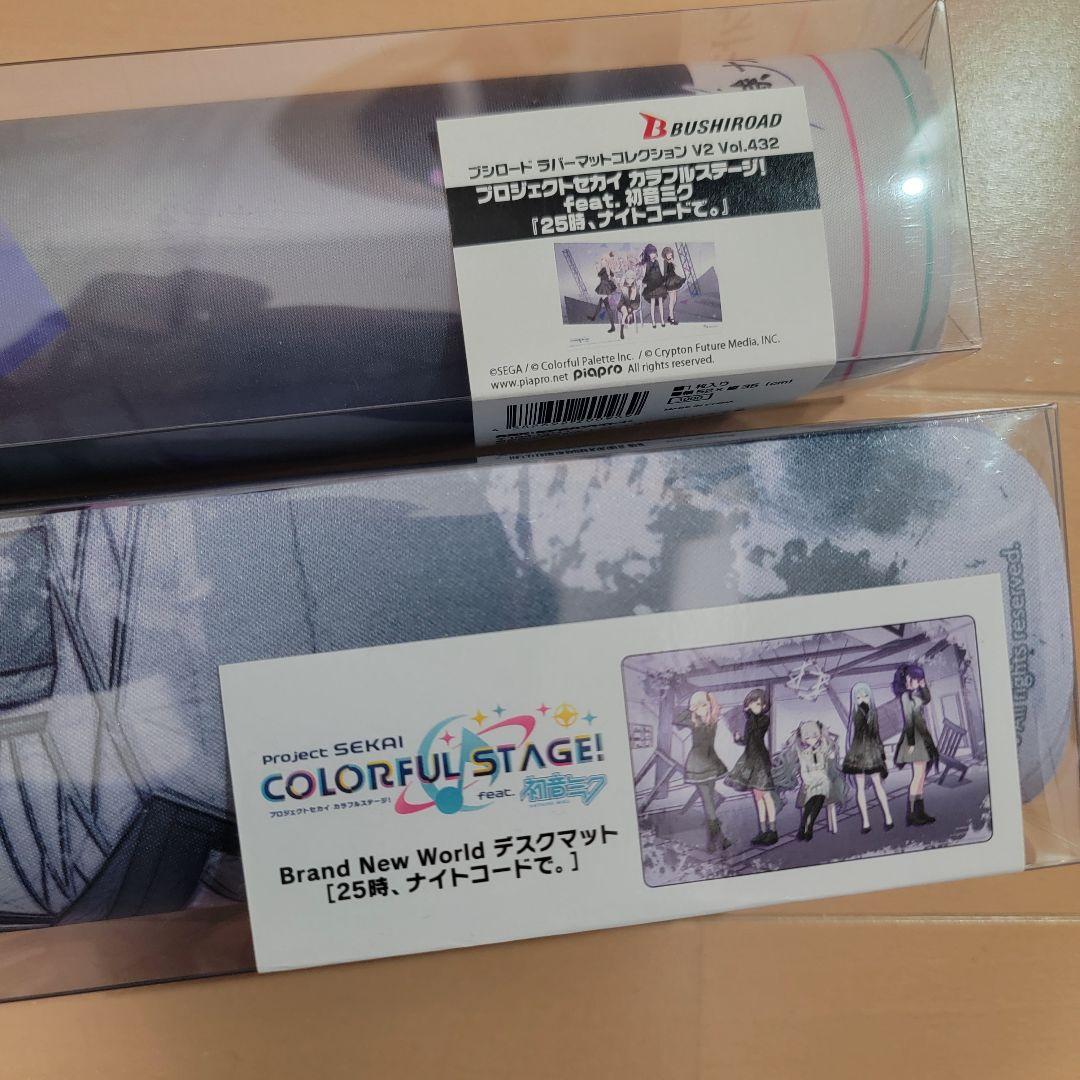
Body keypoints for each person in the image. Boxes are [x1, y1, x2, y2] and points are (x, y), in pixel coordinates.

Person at [673, 691, 732, 853]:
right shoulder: (702, 721)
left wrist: (707, 698)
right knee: (709, 803)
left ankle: (715, 841)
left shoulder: (706, 721)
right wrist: (693, 708)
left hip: (704, 764)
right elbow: (676, 719)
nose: (703, 708)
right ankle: (719, 840)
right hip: (703, 763)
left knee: (709, 803)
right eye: (700, 706)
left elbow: (678, 718)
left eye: (705, 705)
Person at [775, 720, 845, 841]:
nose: (812, 740)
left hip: (823, 779)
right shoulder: (803, 753)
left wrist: (826, 743)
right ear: (803, 738)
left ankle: (809, 826)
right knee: (811, 799)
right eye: (808, 738)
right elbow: (804, 770)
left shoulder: (823, 748)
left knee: (819, 796)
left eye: (814, 736)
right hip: (810, 780)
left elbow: (831, 757)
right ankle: (805, 826)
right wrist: (807, 781)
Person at [724, 688, 777, 845]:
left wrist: (748, 714)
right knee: (758, 798)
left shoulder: (763, 720)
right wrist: (738, 738)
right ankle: (762, 831)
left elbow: (757, 734)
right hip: (750, 759)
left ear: (764, 706)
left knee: (766, 796)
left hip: (760, 760)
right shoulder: (750, 721)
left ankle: (773, 831)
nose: (755, 706)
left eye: (758, 704)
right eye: (752, 703)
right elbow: (748, 741)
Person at [841, 682, 894, 833]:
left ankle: (888, 817)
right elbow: (851, 738)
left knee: (878, 785)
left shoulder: (873, 714)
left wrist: (882, 755)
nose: (862, 699)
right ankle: (865, 821)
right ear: (854, 700)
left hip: (872, 753)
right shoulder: (855, 715)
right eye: (858, 698)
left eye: (865, 696)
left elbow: (876, 736)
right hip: (858, 754)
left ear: (870, 697)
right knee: (860, 788)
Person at [893, 662, 939, 826]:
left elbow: (926, 699)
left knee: (920, 778)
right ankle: (912, 814)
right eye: (915, 679)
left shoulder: (914, 695)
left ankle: (919, 812)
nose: (917, 682)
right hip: (915, 738)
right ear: (907, 679)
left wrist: (924, 685)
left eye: (919, 679)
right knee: (918, 777)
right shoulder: (906, 696)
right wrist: (911, 743)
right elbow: (908, 720)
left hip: (921, 736)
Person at [589, 254, 618, 332]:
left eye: (603, 261)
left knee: (607, 307)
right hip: (606, 287)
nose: (602, 262)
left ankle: (613, 326)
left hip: (604, 287)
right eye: (602, 261)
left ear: (606, 262)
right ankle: (594, 317)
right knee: (600, 303)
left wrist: (597, 267)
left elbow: (599, 274)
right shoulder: (607, 268)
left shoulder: (604, 268)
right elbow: (612, 275)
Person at [640, 244, 667, 327]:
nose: (653, 254)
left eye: (654, 252)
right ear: (648, 254)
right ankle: (653, 322)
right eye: (651, 253)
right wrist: (644, 283)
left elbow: (659, 273)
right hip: (651, 286)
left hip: (659, 284)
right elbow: (646, 275)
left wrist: (663, 280)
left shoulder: (657, 262)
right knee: (652, 303)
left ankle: (662, 320)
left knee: (661, 303)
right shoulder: (646, 263)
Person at [660, 246, 686, 325]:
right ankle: (671, 318)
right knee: (672, 301)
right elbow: (665, 273)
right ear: (665, 254)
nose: (669, 255)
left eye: (670, 254)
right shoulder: (665, 261)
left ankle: (670, 316)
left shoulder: (670, 260)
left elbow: (675, 269)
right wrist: (664, 283)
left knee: (674, 300)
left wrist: (672, 261)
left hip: (674, 280)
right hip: (670, 282)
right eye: (668, 254)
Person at [617, 270, 641, 340]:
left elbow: (637, 300)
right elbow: (625, 299)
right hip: (623, 303)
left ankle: (629, 316)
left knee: (628, 311)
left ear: (634, 279)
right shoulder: (624, 287)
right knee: (625, 313)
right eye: (628, 278)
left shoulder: (635, 288)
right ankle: (622, 330)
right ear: (626, 279)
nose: (630, 280)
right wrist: (629, 307)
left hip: (633, 304)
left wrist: (632, 307)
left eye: (632, 278)